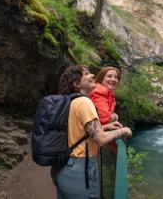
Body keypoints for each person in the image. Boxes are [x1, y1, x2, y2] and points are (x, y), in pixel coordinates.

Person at [51, 65, 132, 199]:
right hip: (79, 167)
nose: (93, 76)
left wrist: (105, 127)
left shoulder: (71, 100)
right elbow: (100, 139)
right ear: (77, 83)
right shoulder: (84, 102)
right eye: (87, 74)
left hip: (63, 166)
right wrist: (123, 131)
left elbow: (79, 130)